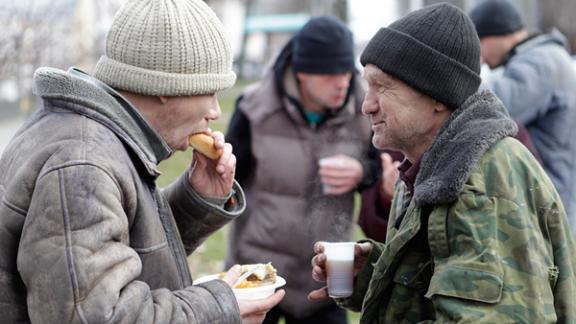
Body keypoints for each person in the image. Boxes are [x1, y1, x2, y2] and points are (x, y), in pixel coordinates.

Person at [0, 0, 285, 322]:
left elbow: (113, 251)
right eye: (209, 91)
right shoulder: (83, 164)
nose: (215, 111)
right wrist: (220, 309)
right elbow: (95, 316)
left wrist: (197, 198)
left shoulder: (92, 140)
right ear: (167, 85)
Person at [309, 3, 576, 323]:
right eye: (367, 86)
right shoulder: (436, 163)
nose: (367, 105)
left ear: (438, 96)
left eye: (383, 87)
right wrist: (371, 273)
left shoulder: (479, 187)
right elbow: (441, 279)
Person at [225, 16, 378, 324]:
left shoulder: (366, 110)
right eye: (330, 74)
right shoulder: (253, 108)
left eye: (347, 72)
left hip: (325, 278)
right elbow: (225, 184)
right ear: (302, 72)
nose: (343, 82)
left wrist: (363, 172)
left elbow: (385, 172)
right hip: (258, 276)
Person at [470, 0, 576, 231]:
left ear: (496, 35)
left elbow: (491, 107)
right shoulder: (546, 58)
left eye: (478, 45)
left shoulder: (540, 63)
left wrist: (456, 77)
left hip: (552, 206)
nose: (481, 57)